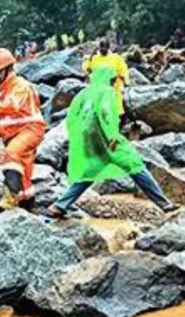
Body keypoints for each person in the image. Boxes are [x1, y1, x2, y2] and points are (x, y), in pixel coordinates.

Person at [43, 66, 177, 219]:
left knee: (89, 173)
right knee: (136, 166)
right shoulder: (106, 92)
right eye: (113, 80)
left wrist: (79, 138)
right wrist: (112, 136)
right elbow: (106, 114)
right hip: (107, 140)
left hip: (89, 141)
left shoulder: (84, 93)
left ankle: (59, 206)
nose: (114, 83)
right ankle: (164, 204)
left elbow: (72, 116)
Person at [0, 48, 46, 211]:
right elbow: (9, 121)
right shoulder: (7, 89)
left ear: (9, 68)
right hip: (21, 131)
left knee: (12, 154)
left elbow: (11, 107)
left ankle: (8, 200)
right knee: (24, 170)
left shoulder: (20, 86)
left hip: (31, 130)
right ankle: (28, 206)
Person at [82, 39, 131, 117]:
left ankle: (116, 123)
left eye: (105, 49)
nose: (103, 51)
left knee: (115, 108)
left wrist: (124, 81)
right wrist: (91, 56)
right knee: (99, 108)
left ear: (108, 48)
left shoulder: (115, 58)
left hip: (114, 87)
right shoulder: (95, 58)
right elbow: (86, 68)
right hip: (99, 88)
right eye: (101, 49)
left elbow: (123, 70)